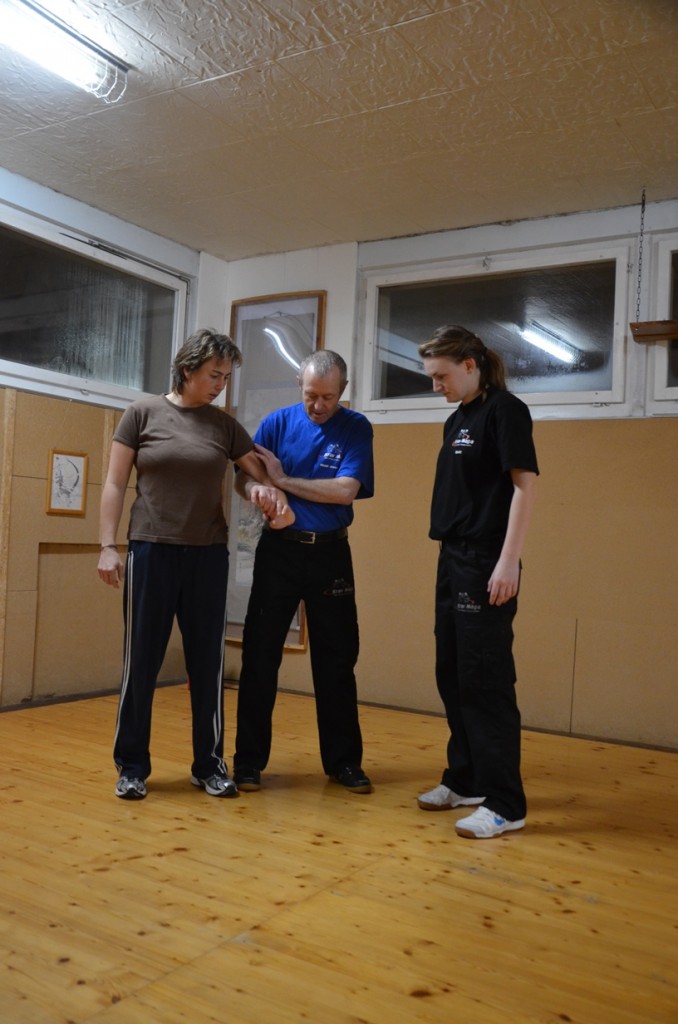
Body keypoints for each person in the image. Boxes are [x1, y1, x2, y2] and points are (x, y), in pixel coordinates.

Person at [98, 328, 293, 801]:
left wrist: (270, 488)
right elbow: (115, 484)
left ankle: (209, 765)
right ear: (187, 370)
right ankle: (132, 767)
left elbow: (256, 474)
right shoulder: (141, 414)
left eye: (226, 377)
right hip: (151, 550)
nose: (221, 385)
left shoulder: (224, 426)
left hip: (207, 553)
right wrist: (107, 546)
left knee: (207, 664)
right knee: (140, 662)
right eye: (214, 375)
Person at [233, 350, 375, 795]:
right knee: (260, 656)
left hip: (330, 554)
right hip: (279, 552)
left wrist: (282, 480)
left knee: (337, 660)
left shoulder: (356, 428)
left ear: (343, 391)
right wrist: (256, 488)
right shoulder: (276, 424)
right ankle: (248, 763)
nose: (318, 405)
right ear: (300, 383)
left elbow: (344, 491)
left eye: (328, 397)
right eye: (311, 395)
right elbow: (244, 476)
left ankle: (344, 763)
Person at [416, 325, 538, 839]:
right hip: (452, 558)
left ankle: (506, 803)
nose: (436, 385)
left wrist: (508, 561)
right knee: (453, 673)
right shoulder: (456, 420)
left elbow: (524, 487)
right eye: (432, 377)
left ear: (470, 365)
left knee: (486, 681)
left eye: (442, 375)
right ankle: (466, 779)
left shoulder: (505, 411)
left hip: (487, 559)